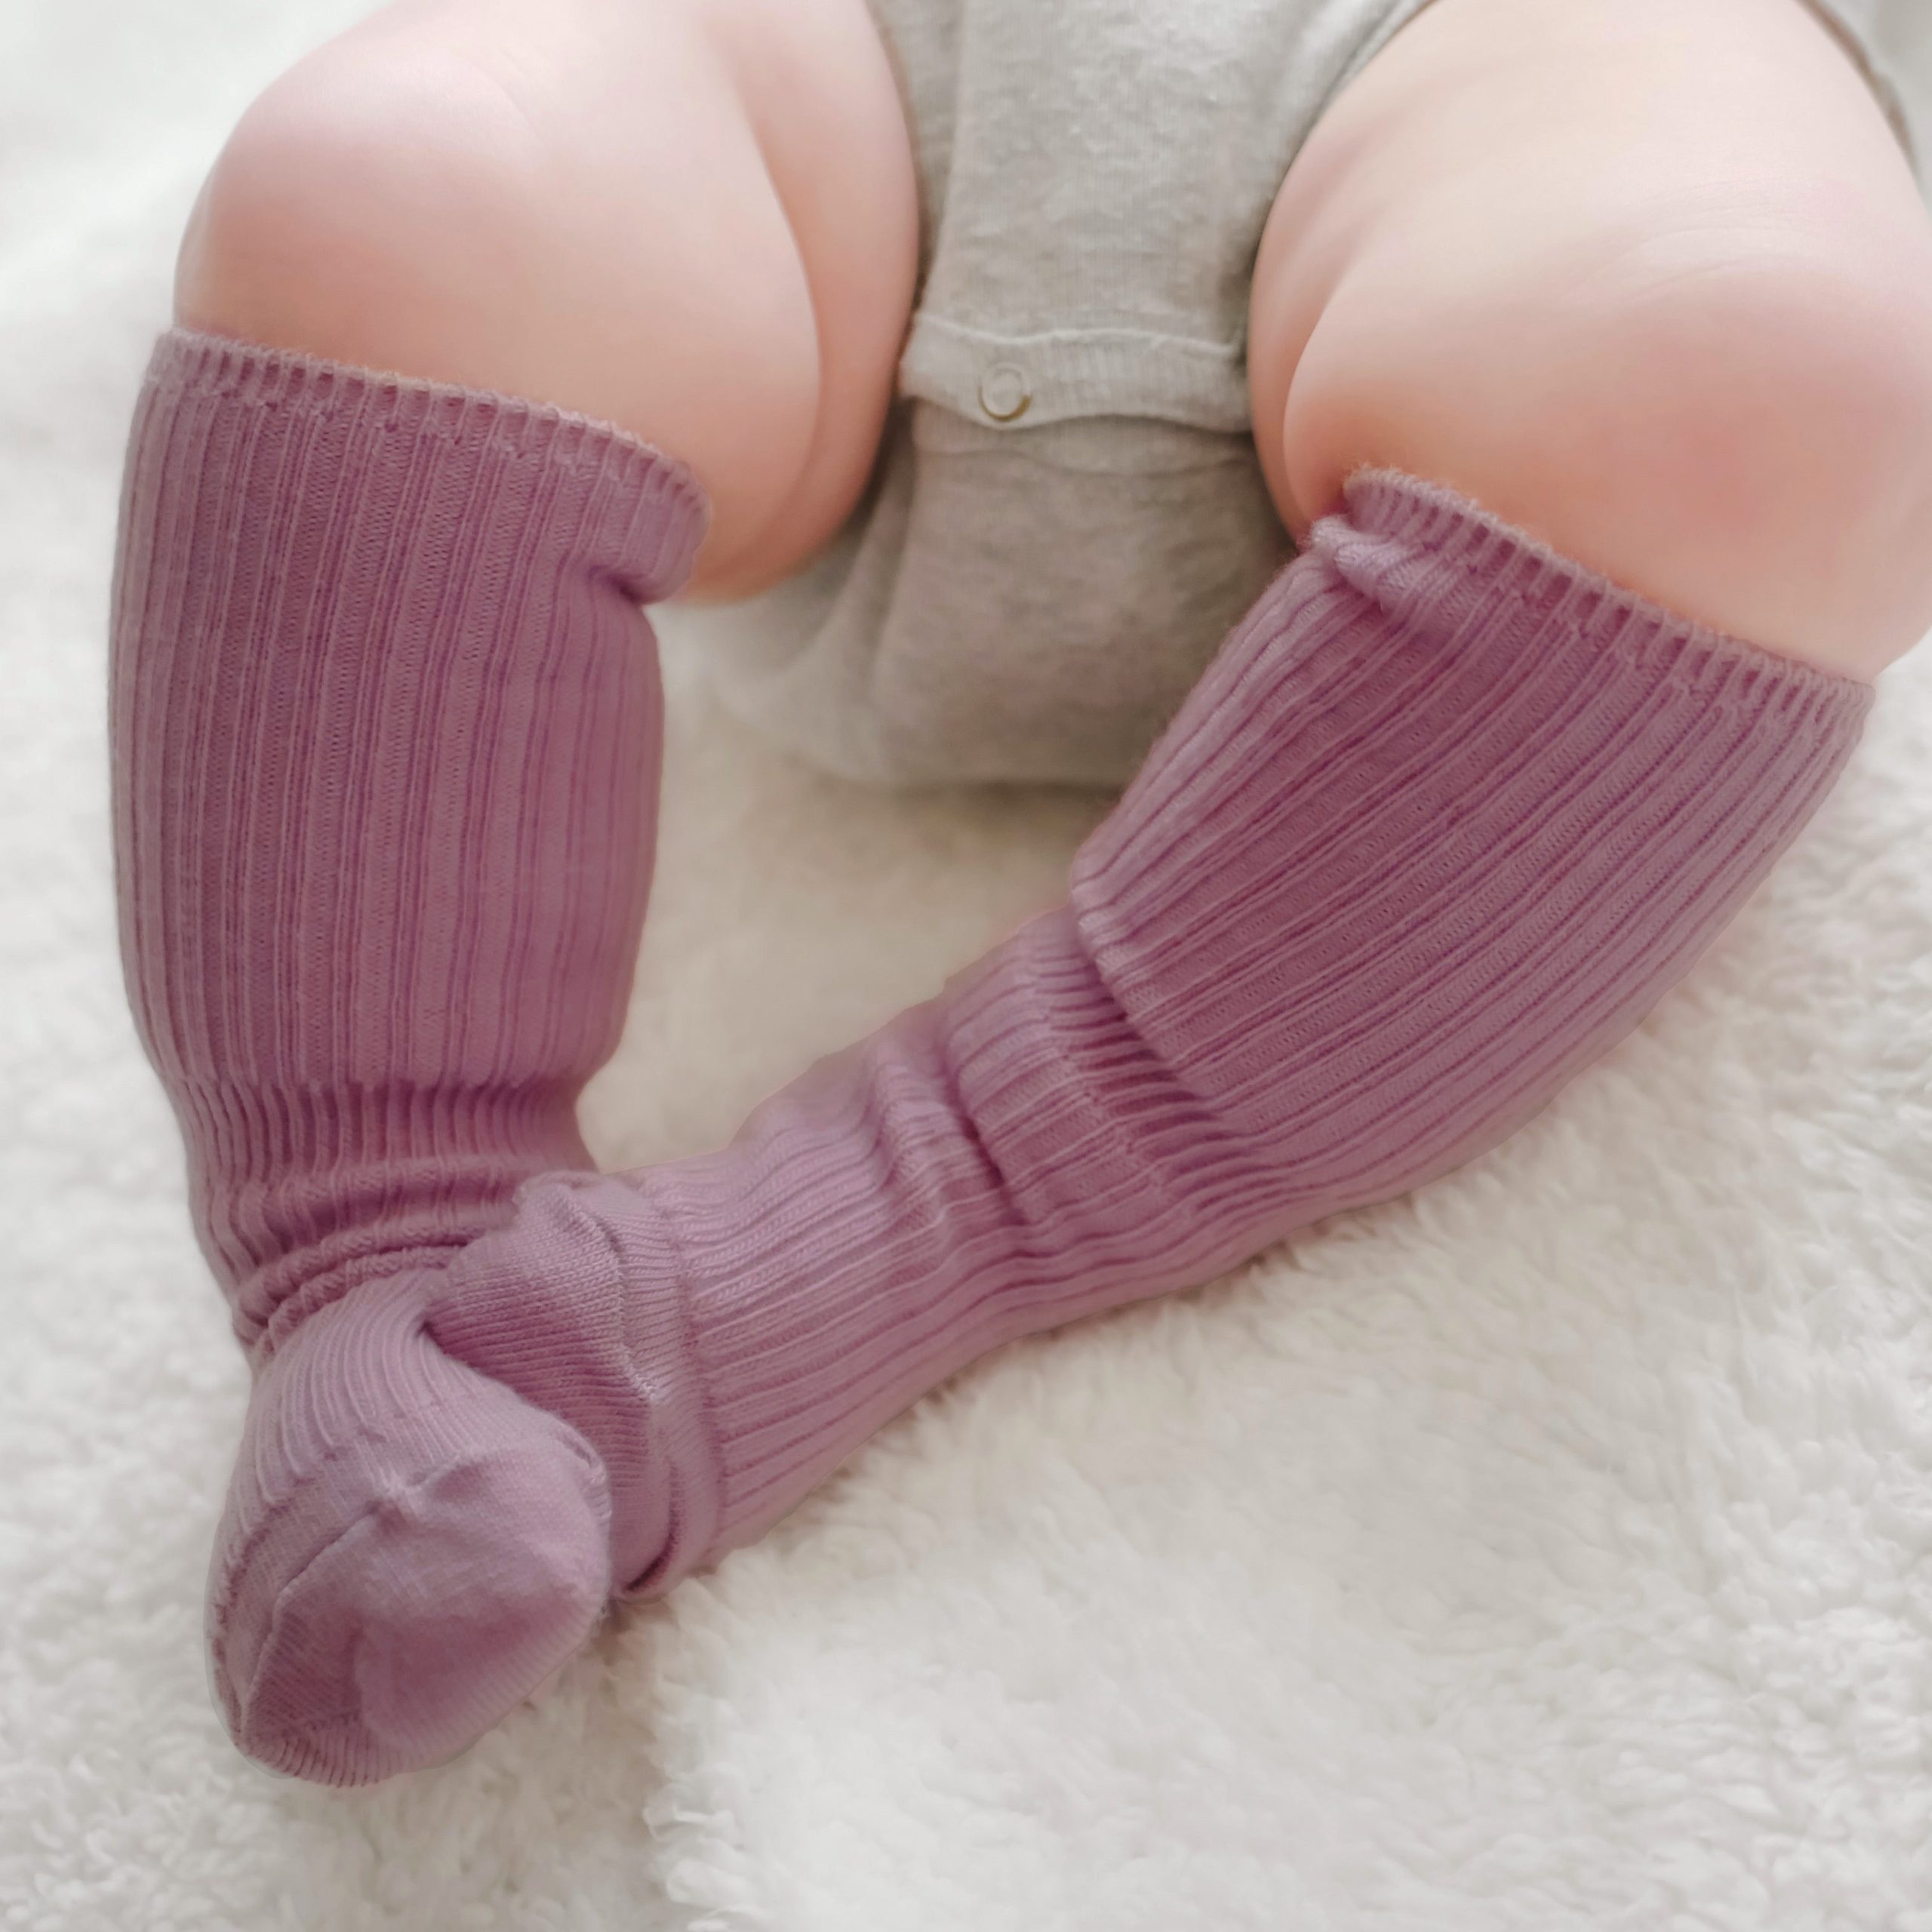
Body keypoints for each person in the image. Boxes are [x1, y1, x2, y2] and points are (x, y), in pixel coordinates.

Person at [108, 0, 1932, 1786]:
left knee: (1765, 365)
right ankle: (376, 1247)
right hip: (847, 108)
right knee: (395, 185)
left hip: (1551, 94)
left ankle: (872, 1239)